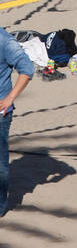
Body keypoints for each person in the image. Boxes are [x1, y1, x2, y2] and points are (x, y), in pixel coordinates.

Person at [0, 26, 34, 217]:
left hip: (1, 112)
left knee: (0, 162)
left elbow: (27, 69)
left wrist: (9, 99)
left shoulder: (5, 41)